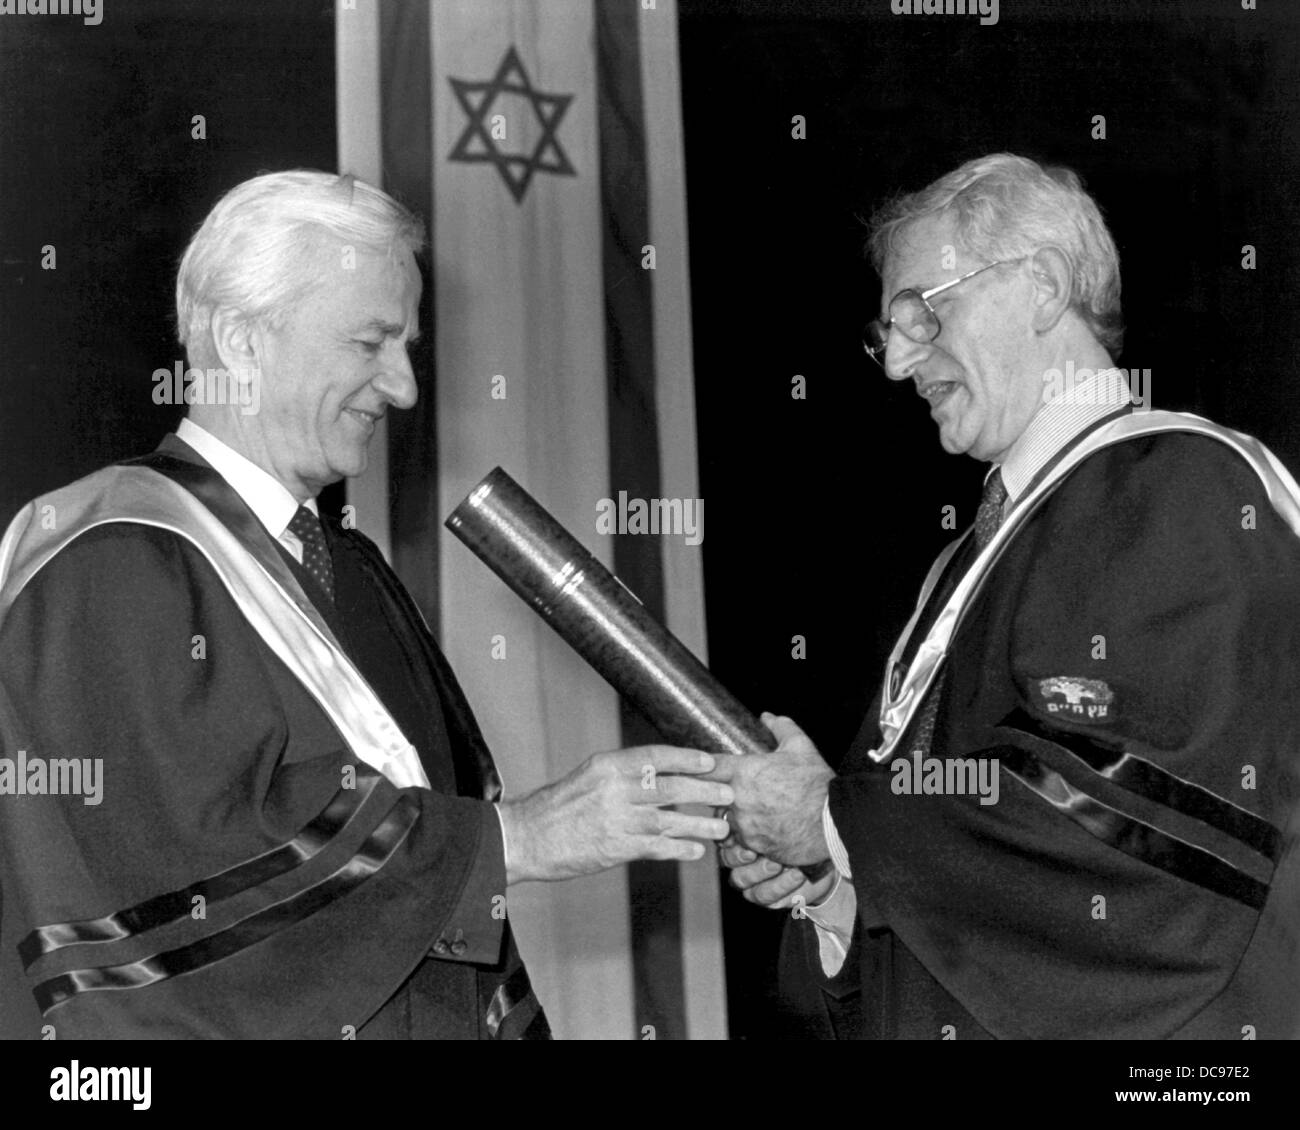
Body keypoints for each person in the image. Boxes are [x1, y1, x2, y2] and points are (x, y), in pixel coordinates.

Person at [0, 170, 732, 1040]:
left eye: (407, 347)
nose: (404, 388)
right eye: (371, 342)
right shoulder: (109, 556)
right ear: (241, 340)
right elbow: (181, 885)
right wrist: (518, 840)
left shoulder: (355, 572)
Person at [711, 153, 1300, 1039]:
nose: (898, 363)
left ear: (1043, 285)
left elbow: (1135, 832)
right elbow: (969, 867)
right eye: (886, 331)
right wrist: (837, 884)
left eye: (919, 311)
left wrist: (834, 818)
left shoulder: (1173, 487)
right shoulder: (972, 559)